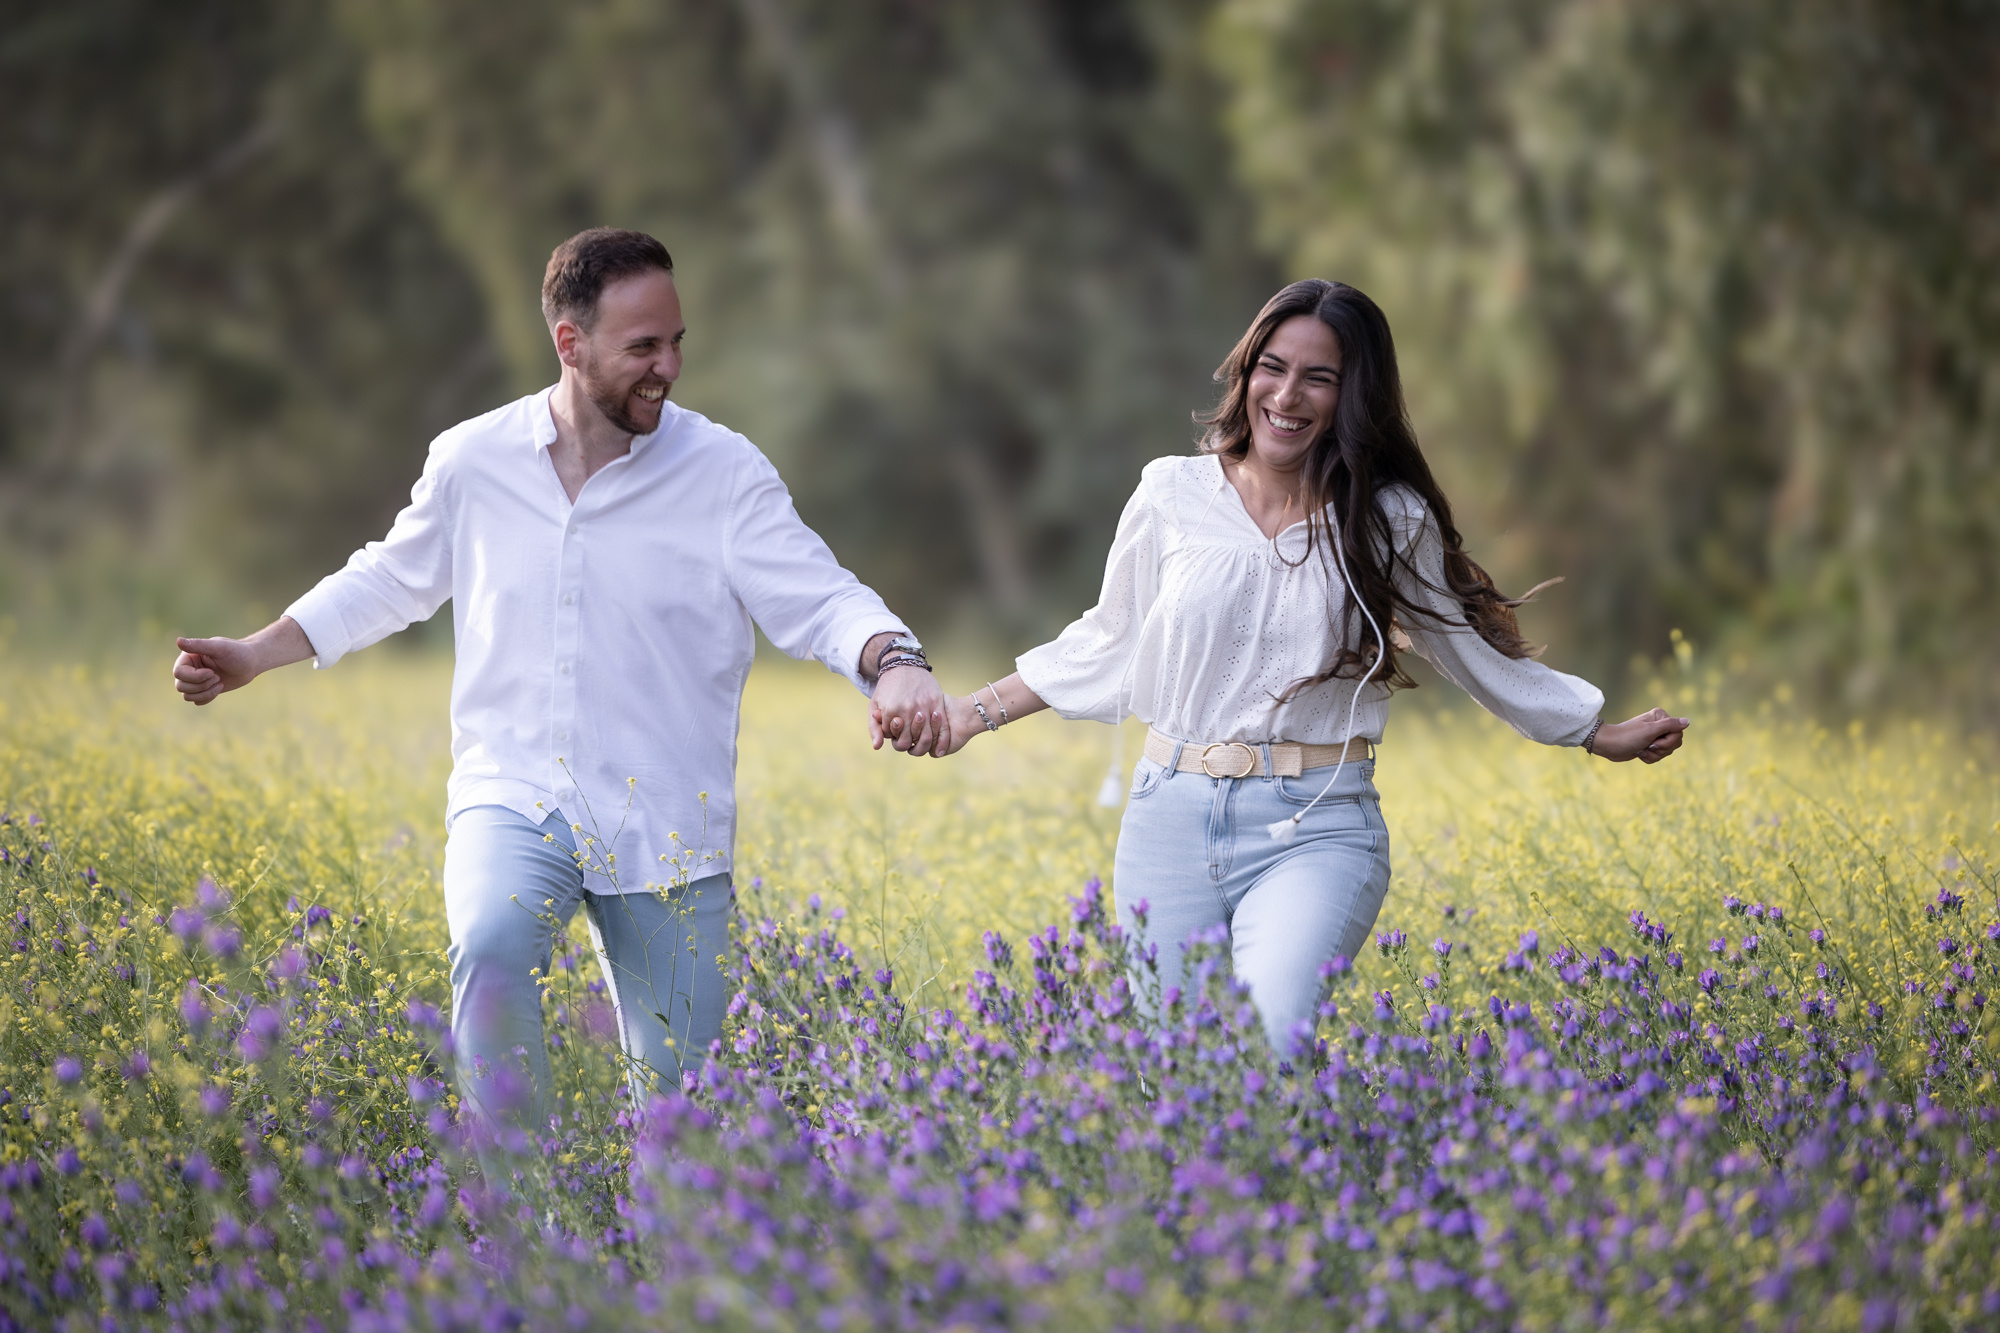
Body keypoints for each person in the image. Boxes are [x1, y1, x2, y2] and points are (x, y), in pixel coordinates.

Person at [172, 228, 952, 1127]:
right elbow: (388, 577)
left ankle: (669, 1257)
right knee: (494, 943)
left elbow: (821, 597)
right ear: (569, 344)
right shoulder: (473, 461)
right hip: (517, 791)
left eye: (677, 342)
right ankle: (519, 1243)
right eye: (643, 348)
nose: (668, 367)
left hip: (669, 820)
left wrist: (895, 664)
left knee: (679, 1116)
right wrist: (256, 652)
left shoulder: (725, 473)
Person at [923, 279, 1689, 1054]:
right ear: (1246, 370)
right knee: (1183, 1085)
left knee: (1269, 1039)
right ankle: (1309, 1171)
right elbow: (1109, 637)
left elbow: (1461, 642)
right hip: (1169, 819)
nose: (1288, 395)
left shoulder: (1388, 518)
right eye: (1273, 366)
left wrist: (1592, 730)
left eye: (1319, 377)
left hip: (1316, 823)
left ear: (1352, 396)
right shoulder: (1171, 492)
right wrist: (970, 712)